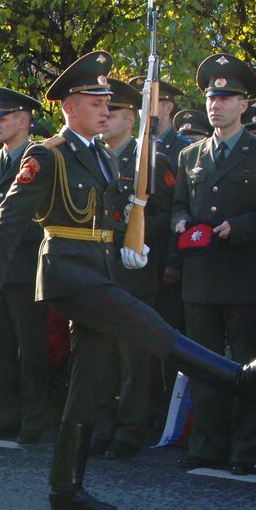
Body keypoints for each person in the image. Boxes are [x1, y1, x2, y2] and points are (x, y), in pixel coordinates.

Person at [0, 51, 256, 510]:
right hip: (65, 269)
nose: (106, 109)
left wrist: (128, 239)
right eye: (96, 101)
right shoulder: (47, 153)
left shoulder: (97, 155)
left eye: (107, 103)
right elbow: (9, 216)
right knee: (146, 322)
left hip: (97, 267)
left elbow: (113, 213)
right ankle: (238, 378)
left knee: (88, 377)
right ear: (70, 105)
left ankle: (65, 486)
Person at [171, 55, 256, 474]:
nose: (216, 105)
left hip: (243, 273)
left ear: (244, 104)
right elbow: (179, 204)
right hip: (201, 275)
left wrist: (234, 228)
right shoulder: (191, 156)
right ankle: (206, 443)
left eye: (226, 97)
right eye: (210, 97)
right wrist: (181, 221)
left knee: (245, 363)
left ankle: (244, 447)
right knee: (202, 361)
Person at [90, 77, 176, 458]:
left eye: (113, 113)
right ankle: (102, 425)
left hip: (133, 269)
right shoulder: (91, 157)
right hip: (97, 268)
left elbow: (162, 216)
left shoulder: (150, 162)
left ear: (132, 118)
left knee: (133, 356)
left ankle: (131, 429)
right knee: (100, 355)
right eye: (102, 111)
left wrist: (132, 236)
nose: (104, 118)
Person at [0, 86, 50, 443]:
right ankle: (3, 416)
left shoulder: (39, 159)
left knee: (32, 347)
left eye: (3, 117)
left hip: (26, 266)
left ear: (23, 119)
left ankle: (35, 420)